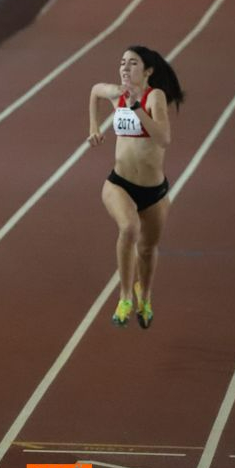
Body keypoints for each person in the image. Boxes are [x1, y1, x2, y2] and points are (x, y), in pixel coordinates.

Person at [87, 45, 183, 329]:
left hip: (154, 192)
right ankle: (125, 296)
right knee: (129, 228)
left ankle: (146, 296)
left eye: (133, 63)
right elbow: (94, 91)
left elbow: (163, 138)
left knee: (147, 249)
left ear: (148, 71)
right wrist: (94, 127)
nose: (125, 68)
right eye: (122, 63)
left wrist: (136, 108)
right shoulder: (116, 92)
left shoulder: (154, 96)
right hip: (119, 183)